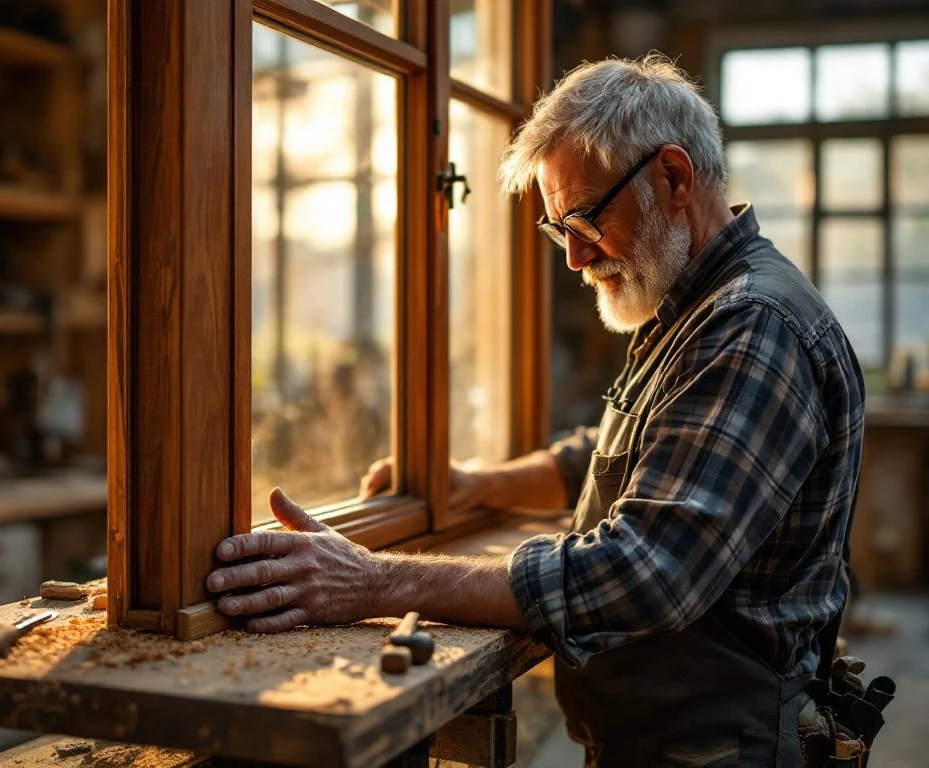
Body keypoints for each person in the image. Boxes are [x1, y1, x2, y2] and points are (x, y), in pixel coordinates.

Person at [207, 54, 864, 767]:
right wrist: (476, 486)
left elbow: (647, 571)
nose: (576, 259)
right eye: (560, 231)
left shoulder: (751, 326)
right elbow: (614, 453)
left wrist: (372, 580)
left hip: (725, 749)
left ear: (674, 178)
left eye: (584, 219)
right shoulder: (694, 307)